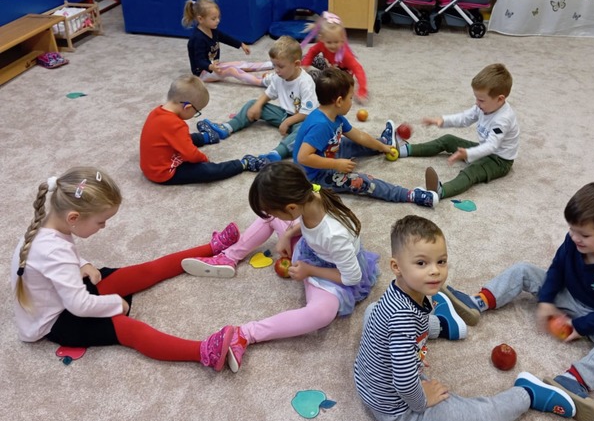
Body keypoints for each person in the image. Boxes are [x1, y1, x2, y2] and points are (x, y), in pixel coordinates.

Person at [354, 215, 582, 421]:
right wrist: (422, 400)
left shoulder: (399, 295)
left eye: (441, 261)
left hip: (369, 381)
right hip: (397, 408)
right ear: (396, 267)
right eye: (421, 263)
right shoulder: (401, 319)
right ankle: (528, 393)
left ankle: (444, 324)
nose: (435, 271)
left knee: (375, 311)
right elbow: (404, 382)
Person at [443, 182, 594, 421]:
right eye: (571, 229)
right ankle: (478, 302)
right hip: (569, 294)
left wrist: (582, 326)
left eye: (584, 235)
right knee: (524, 270)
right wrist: (547, 300)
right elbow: (558, 268)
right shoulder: (574, 240)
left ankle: (574, 381)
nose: (574, 238)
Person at [10, 166, 243, 371]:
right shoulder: (54, 251)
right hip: (57, 321)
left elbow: (56, 260)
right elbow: (78, 304)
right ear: (73, 218)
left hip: (63, 294)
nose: (103, 226)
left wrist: (83, 264)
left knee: (143, 271)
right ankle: (204, 352)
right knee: (131, 331)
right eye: (101, 221)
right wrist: (115, 304)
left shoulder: (48, 227)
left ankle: (212, 248)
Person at [182, 162, 380, 373]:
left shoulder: (334, 235)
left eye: (275, 211)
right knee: (270, 220)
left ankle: (245, 334)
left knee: (322, 314)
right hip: (313, 251)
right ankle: (228, 257)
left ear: (292, 208)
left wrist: (309, 270)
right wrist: (288, 233)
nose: (272, 215)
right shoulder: (308, 197)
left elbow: (352, 277)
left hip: (333, 273)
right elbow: (305, 223)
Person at [294, 67, 438, 208]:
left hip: (327, 153)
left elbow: (360, 136)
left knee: (350, 143)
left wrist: (382, 147)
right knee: (362, 182)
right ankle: (410, 195)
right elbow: (303, 157)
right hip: (314, 177)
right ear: (338, 101)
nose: (352, 102)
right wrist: (336, 164)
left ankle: (385, 141)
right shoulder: (321, 125)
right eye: (350, 98)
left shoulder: (335, 116)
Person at [398, 63, 519, 200]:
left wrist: (469, 153)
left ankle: (439, 192)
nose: (477, 103)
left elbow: (491, 146)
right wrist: (443, 120)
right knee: (448, 139)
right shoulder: (482, 107)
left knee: (472, 171)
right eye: (476, 98)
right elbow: (465, 118)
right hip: (485, 149)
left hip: (499, 160)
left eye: (481, 100)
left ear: (500, 99)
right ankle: (406, 149)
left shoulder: (502, 120)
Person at [196, 36, 319, 162]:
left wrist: (288, 122)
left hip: (302, 119)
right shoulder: (278, 77)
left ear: (297, 64)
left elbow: (307, 113)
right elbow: (269, 94)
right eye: (274, 65)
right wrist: (257, 105)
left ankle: (278, 153)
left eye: (281, 66)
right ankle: (227, 128)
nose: (276, 70)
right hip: (283, 114)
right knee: (252, 103)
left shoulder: (305, 82)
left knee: (306, 131)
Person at [139, 74, 268, 185]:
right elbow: (191, 155)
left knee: (182, 138)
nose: (196, 114)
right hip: (164, 173)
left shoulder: (156, 112)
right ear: (187, 107)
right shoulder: (176, 125)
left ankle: (207, 136)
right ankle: (244, 163)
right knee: (208, 171)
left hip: (151, 165)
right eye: (197, 111)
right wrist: (204, 159)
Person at [183, 0, 272, 86]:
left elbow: (226, 38)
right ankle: (261, 82)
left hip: (214, 66)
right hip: (202, 73)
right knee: (232, 70)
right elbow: (199, 61)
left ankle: (271, 64)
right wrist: (211, 66)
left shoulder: (212, 30)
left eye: (218, 17)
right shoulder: (198, 39)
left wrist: (240, 44)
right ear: (200, 19)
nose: (218, 21)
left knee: (240, 64)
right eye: (213, 18)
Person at [301, 11, 369, 103]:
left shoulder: (345, 55)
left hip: (341, 76)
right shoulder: (321, 44)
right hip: (330, 65)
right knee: (305, 58)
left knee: (317, 78)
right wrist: (305, 65)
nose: (333, 46)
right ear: (322, 39)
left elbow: (358, 69)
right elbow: (312, 52)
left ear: (342, 40)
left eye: (336, 42)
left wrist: (362, 90)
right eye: (329, 42)